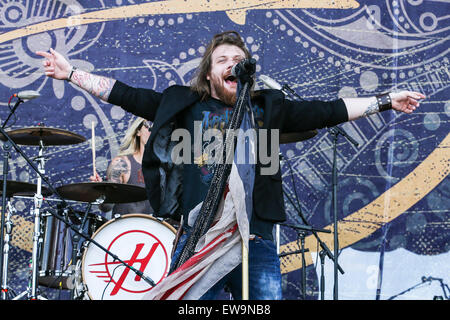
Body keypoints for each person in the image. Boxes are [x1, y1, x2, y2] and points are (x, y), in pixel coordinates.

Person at [36, 31, 425, 300]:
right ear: (209, 72)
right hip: (197, 238)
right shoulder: (184, 105)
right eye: (222, 60)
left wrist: (387, 100)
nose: (231, 64)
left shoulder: (267, 109)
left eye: (238, 60)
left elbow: (328, 111)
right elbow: (125, 94)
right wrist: (71, 74)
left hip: (253, 240)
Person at [89, 117, 154, 217]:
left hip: (155, 230)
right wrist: (101, 191)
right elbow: (106, 207)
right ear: (138, 132)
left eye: (156, 127)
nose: (152, 131)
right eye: (148, 126)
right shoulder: (122, 164)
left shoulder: (167, 168)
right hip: (126, 229)